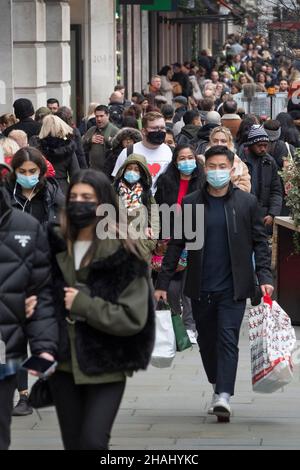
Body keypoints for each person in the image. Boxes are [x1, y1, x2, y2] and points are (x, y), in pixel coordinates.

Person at [155, 146, 274, 422]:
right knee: (207, 343)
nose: (217, 172)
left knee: (228, 339)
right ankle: (216, 385)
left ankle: (224, 395)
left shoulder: (247, 203)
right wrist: (162, 282)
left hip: (233, 288)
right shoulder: (191, 203)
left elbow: (260, 243)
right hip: (199, 287)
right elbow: (176, 244)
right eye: (212, 166)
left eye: (222, 166)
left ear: (231, 169)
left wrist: (265, 277)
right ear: (204, 168)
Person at [47, 170, 155, 450]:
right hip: (63, 365)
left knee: (93, 442)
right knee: (73, 444)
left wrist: (84, 305)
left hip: (106, 364)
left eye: (88, 198)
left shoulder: (123, 252)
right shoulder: (52, 244)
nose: (79, 203)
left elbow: (133, 317)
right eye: (74, 197)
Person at [0, 166, 58, 449]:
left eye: (31, 170)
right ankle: (21, 394)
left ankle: (33, 388)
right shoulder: (8, 200)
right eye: (21, 171)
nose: (27, 174)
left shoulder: (48, 199)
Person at [155, 145, 205, 343]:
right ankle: (176, 323)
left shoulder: (203, 182)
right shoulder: (166, 181)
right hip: (171, 237)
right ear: (175, 162)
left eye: (190, 157)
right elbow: (158, 208)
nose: (186, 162)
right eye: (182, 158)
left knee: (191, 287)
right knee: (173, 287)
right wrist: (160, 236)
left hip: (196, 237)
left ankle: (191, 326)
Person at [113, 154, 159, 263]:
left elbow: (154, 217)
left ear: (142, 173)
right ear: (123, 170)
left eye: (136, 170)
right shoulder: (113, 191)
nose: (132, 172)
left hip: (141, 248)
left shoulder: (146, 194)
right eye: (129, 168)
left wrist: (151, 243)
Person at [112, 112, 172, 192]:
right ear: (144, 131)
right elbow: (116, 180)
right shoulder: (129, 152)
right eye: (155, 128)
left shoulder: (169, 151)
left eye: (162, 128)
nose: (159, 131)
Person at [38, 114, 80, 194]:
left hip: (41, 187)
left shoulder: (37, 147)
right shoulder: (68, 148)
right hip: (62, 188)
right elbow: (75, 175)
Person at [82, 105, 119, 171]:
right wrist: (90, 140)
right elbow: (81, 146)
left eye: (101, 116)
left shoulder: (115, 131)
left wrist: (109, 141)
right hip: (93, 170)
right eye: (97, 116)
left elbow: (119, 150)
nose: (99, 119)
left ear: (108, 116)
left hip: (108, 172)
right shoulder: (91, 130)